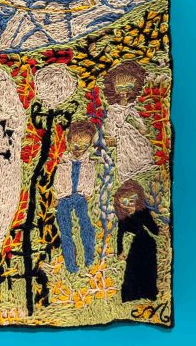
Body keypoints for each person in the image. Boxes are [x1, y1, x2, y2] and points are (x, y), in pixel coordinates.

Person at [54, 120, 97, 273]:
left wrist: (87, 193)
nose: (80, 150)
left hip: (79, 198)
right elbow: (56, 178)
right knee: (65, 230)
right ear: (69, 140)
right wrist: (56, 196)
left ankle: (89, 258)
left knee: (86, 226)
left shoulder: (89, 163)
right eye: (76, 145)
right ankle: (71, 265)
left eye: (85, 146)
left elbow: (90, 178)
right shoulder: (62, 160)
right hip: (63, 199)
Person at [103, 61, 153, 183]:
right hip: (119, 134)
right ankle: (126, 173)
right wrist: (110, 135)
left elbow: (137, 119)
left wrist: (142, 128)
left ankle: (139, 167)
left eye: (128, 88)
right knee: (124, 154)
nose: (124, 92)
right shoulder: (113, 109)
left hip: (130, 132)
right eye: (120, 88)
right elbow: (110, 122)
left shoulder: (131, 107)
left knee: (138, 147)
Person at [114, 179, 159, 302]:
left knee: (147, 269)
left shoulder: (142, 212)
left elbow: (154, 230)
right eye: (124, 202)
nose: (128, 205)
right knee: (133, 270)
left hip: (146, 243)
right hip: (133, 246)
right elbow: (119, 235)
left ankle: (149, 293)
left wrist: (152, 220)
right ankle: (131, 295)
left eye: (132, 201)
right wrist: (120, 251)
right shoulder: (122, 217)